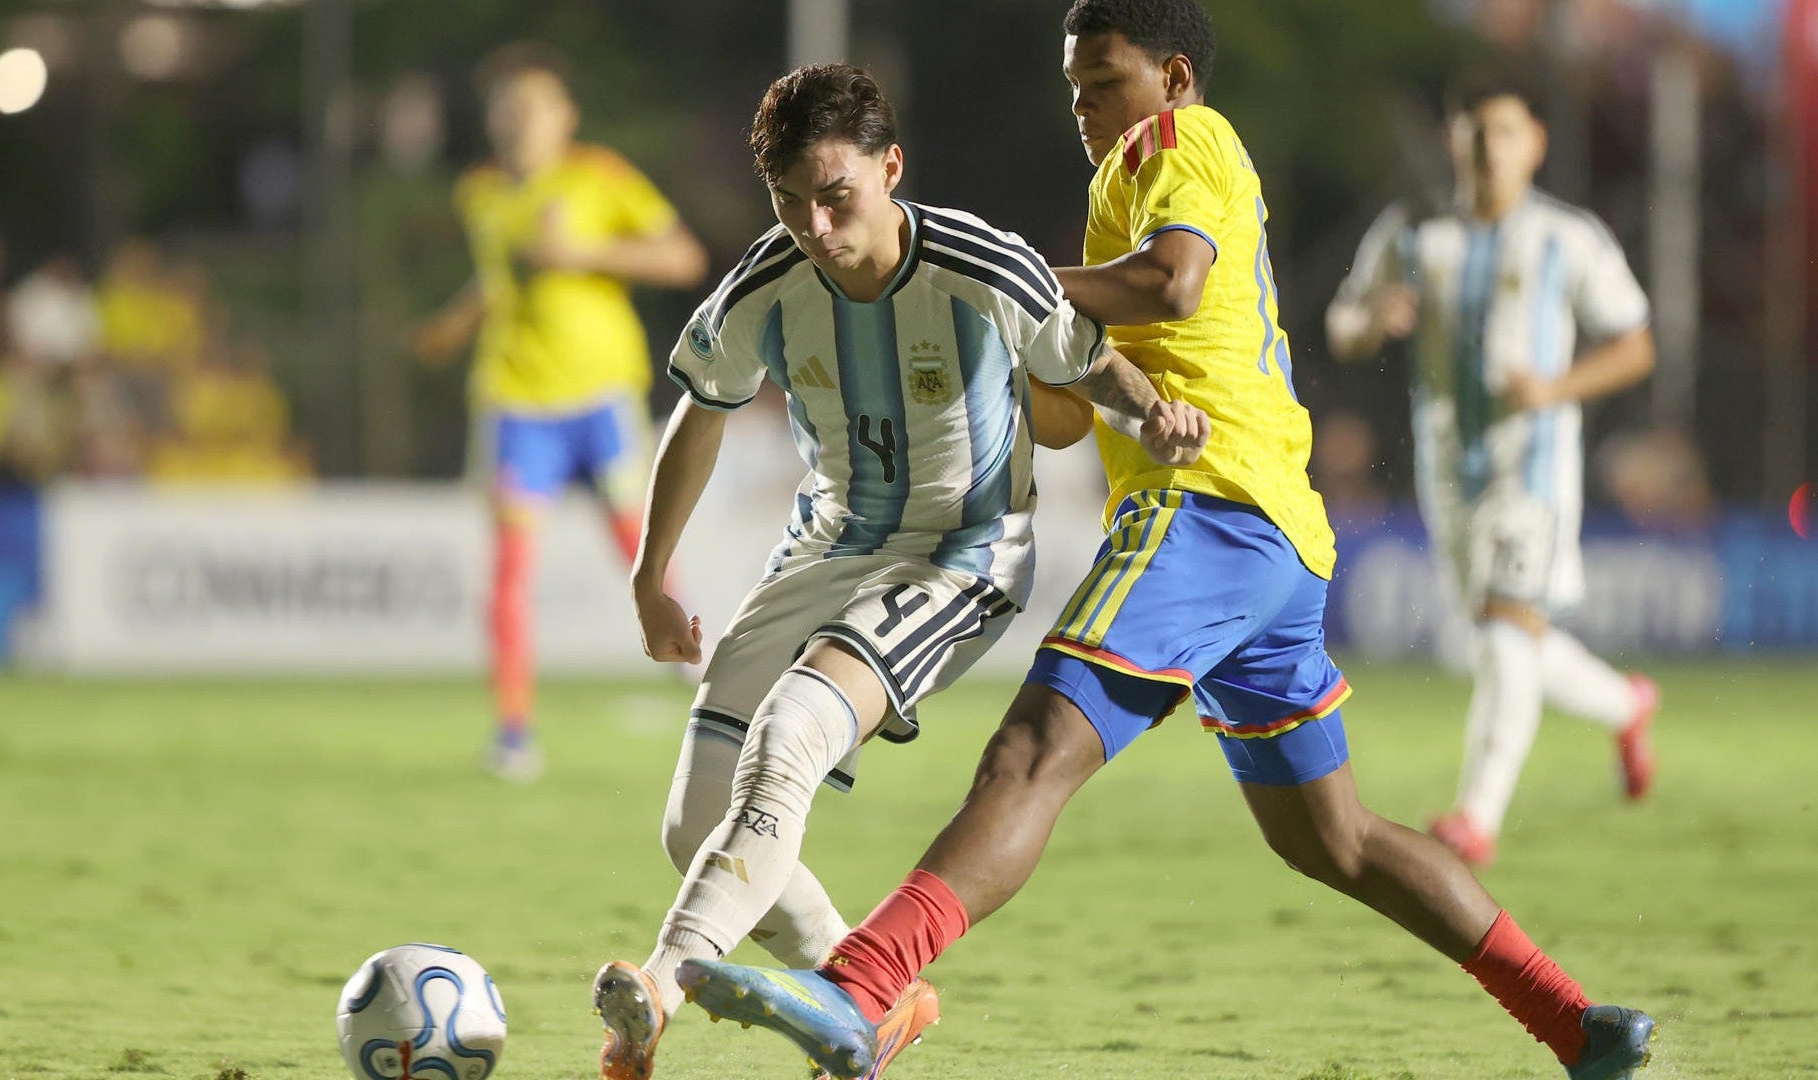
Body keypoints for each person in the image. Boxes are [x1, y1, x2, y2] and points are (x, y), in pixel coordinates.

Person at [672, 5, 1656, 1080]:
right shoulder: (1116, 188)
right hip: (1275, 530)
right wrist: (1011, 357)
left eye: (1102, 80)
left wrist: (1007, 290)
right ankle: (1575, 1022)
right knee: (1335, 839)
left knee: (1030, 754)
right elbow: (1070, 402)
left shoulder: (1185, 141)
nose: (1083, 107)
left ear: (1173, 75)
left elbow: (1173, 284)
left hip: (1210, 509)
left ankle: (857, 988)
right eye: (1072, 85)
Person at [589, 63, 1203, 1080]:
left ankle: (659, 985)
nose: (817, 227)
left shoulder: (982, 267)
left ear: (891, 167)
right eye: (792, 203)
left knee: (790, 732)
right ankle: (875, 1002)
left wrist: (1156, 416)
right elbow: (703, 407)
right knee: (696, 818)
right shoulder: (768, 281)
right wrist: (652, 572)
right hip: (827, 546)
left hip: (961, 554)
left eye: (837, 196)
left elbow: (1088, 362)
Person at [1324, 77, 1660, 868]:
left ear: (1534, 142)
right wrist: (1372, 321)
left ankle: (1476, 818)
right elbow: (1341, 323)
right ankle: (1626, 702)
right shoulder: (1412, 232)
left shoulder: (1565, 238)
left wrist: (1554, 387)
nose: (1489, 148)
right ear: (1453, 140)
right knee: (1499, 646)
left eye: (1505, 132)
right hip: (1449, 475)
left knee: (1508, 631)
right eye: (1475, 131)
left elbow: (1635, 344)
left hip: (1534, 472)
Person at [412, 44, 708, 780]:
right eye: (506, 109)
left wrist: (585, 253)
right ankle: (513, 734)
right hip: (516, 402)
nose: (518, 122)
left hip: (599, 395)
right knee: (510, 568)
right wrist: (455, 322)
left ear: (564, 116)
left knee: (638, 549)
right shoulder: (479, 192)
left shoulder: (598, 176)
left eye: (534, 107)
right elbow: (500, 278)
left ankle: (698, 677)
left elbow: (682, 258)